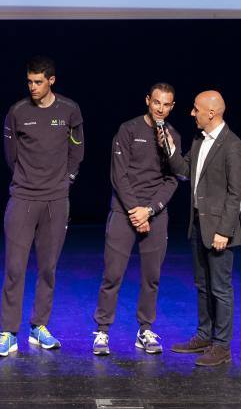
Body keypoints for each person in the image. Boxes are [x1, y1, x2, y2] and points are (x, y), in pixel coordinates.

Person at [0, 56, 84, 357]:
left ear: (51, 80)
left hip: (57, 200)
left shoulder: (69, 110)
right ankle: (8, 332)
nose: (33, 87)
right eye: (29, 82)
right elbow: (11, 156)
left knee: (48, 268)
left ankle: (39, 326)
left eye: (38, 82)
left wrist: (65, 181)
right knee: (15, 268)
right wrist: (27, 180)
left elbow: (77, 151)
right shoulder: (17, 112)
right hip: (23, 198)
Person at [92, 83, 180, 356]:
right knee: (112, 275)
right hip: (124, 212)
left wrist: (150, 210)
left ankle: (144, 330)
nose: (160, 109)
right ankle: (103, 332)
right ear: (147, 101)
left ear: (172, 106)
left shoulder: (173, 135)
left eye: (166, 105)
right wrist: (135, 211)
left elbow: (172, 179)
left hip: (155, 215)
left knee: (151, 277)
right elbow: (119, 176)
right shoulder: (128, 130)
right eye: (156, 103)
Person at [162, 90, 241, 366]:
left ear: (211, 113)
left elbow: (236, 194)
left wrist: (225, 230)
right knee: (202, 285)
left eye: (196, 108)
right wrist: (168, 147)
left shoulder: (232, 145)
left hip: (220, 230)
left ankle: (222, 346)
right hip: (198, 224)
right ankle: (204, 335)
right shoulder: (200, 140)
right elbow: (184, 170)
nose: (192, 113)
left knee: (220, 288)